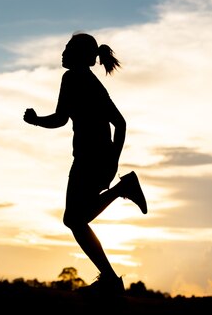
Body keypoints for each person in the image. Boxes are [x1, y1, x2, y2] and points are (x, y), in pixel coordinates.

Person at [23, 31, 147, 297]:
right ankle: (111, 279)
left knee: (74, 220)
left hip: (92, 159)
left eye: (67, 47)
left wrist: (112, 161)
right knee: (74, 219)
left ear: (79, 54)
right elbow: (65, 119)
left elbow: (116, 123)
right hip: (90, 157)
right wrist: (37, 121)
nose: (62, 52)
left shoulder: (77, 79)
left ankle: (111, 279)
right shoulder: (83, 80)